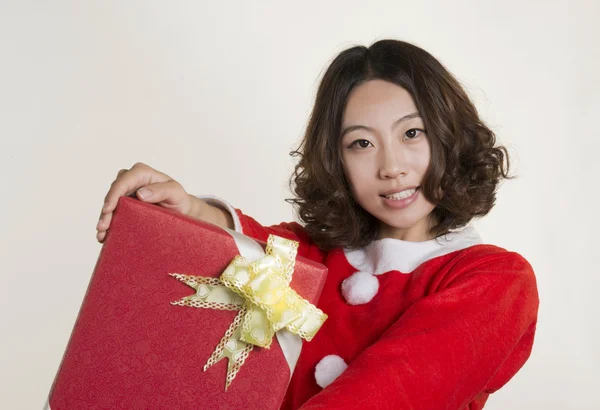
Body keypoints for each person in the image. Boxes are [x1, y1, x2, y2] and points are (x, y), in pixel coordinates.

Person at [96, 40, 539, 409]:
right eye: (361, 143)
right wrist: (184, 209)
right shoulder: (313, 256)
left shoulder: (494, 281)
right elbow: (250, 250)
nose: (392, 167)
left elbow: (396, 389)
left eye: (411, 133)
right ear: (337, 160)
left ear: (448, 135)